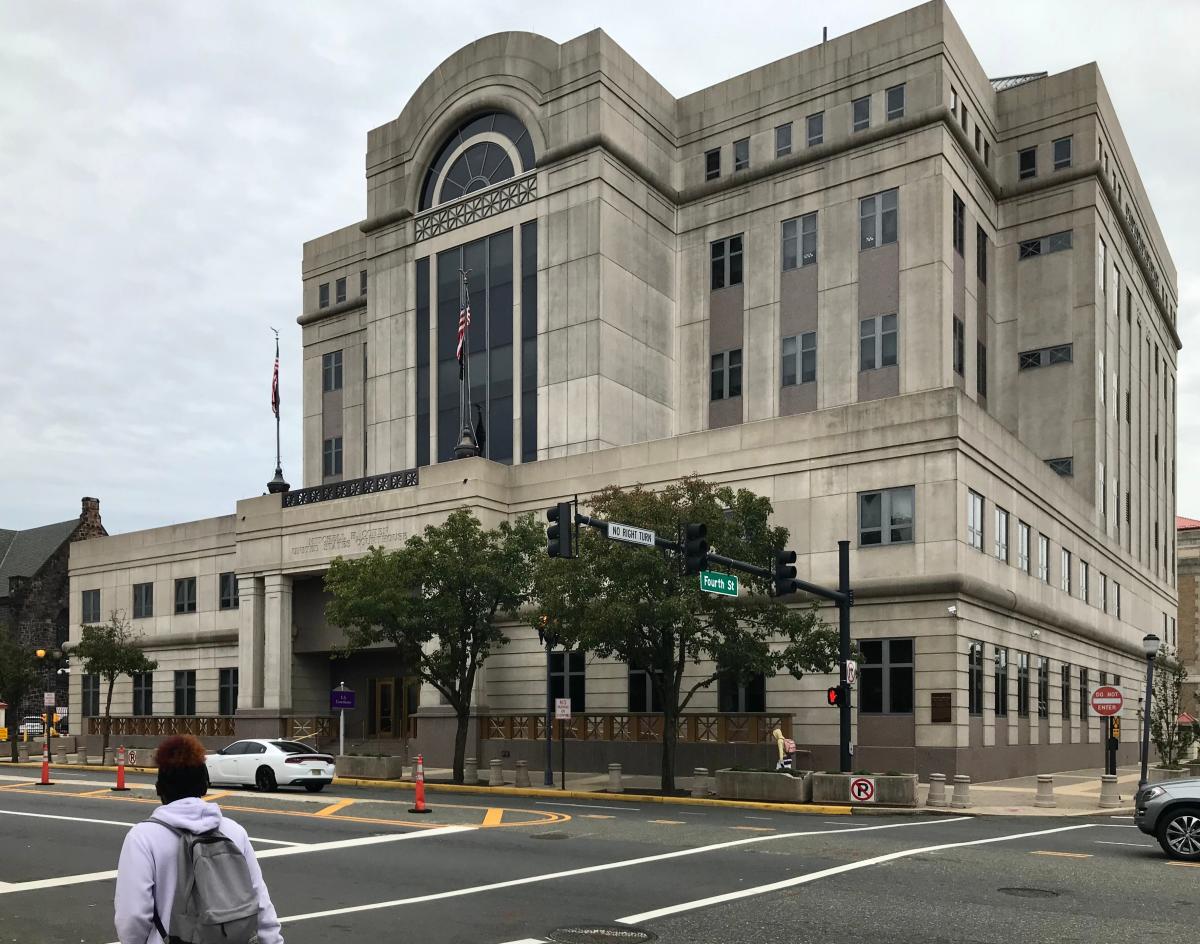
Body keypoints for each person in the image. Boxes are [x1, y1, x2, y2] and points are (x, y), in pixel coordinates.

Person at [114, 734, 284, 944]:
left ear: (159, 789)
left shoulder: (142, 838)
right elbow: (260, 903)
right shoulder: (233, 831)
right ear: (204, 787)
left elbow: (132, 917)